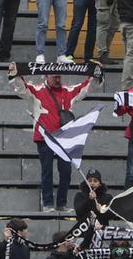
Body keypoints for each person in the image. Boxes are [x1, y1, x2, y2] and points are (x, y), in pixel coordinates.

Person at [8, 63, 94, 210]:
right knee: (47, 172)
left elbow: (85, 88)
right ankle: (48, 204)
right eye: (54, 77)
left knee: (66, 172)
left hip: (64, 139)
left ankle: (62, 204)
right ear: (46, 76)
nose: (57, 79)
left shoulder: (68, 91)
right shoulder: (37, 90)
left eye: (59, 76)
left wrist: (95, 73)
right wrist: (15, 74)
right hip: (44, 138)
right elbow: (21, 88)